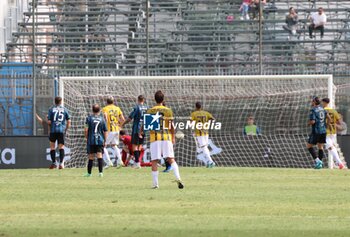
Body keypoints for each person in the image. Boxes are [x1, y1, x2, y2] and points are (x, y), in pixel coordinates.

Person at [145, 90, 184, 189]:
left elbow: (148, 126)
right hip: (166, 137)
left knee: (154, 161)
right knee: (171, 159)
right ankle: (178, 178)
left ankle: (155, 184)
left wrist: (141, 132)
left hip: (155, 138)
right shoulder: (168, 110)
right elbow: (171, 126)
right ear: (163, 99)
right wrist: (173, 137)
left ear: (155, 99)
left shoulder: (150, 110)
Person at [121, 95, 148, 169]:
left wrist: (123, 124)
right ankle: (137, 162)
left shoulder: (136, 107)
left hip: (137, 129)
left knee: (134, 146)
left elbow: (130, 118)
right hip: (144, 129)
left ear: (138, 100)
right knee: (139, 146)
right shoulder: (147, 108)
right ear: (144, 100)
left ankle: (137, 163)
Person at [84, 104, 108, 177]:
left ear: (92, 110)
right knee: (99, 155)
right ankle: (100, 173)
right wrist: (105, 140)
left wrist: (86, 137)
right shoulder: (102, 119)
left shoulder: (88, 118)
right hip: (100, 139)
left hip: (91, 139)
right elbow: (105, 131)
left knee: (91, 156)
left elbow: (86, 129)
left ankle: (89, 173)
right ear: (99, 110)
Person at [47, 96, 71, 169]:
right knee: (61, 147)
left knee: (52, 147)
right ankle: (61, 163)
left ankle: (54, 163)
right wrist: (66, 129)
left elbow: (49, 121)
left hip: (53, 130)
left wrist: (49, 128)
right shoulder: (65, 109)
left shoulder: (51, 109)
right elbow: (69, 121)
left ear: (55, 101)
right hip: (61, 131)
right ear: (61, 102)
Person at [190, 102, 216, 168]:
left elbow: (190, 121)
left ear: (195, 107)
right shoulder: (206, 113)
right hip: (206, 133)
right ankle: (208, 162)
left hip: (199, 133)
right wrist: (207, 123)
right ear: (201, 107)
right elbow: (213, 119)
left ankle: (211, 162)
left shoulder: (194, 113)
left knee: (203, 147)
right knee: (205, 147)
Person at [102, 96, 125, 168]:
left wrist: (104, 126)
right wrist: (120, 126)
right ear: (113, 101)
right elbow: (123, 119)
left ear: (106, 102)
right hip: (116, 130)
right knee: (114, 145)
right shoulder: (117, 108)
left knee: (103, 146)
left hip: (109, 130)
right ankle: (120, 161)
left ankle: (108, 162)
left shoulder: (105, 109)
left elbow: (105, 117)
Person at [321, 98, 344, 169]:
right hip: (333, 132)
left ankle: (339, 163)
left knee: (330, 147)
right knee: (330, 147)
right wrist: (334, 124)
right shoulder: (334, 111)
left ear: (324, 103)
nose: (321, 104)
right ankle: (338, 162)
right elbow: (340, 122)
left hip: (325, 131)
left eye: (322, 102)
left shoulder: (322, 111)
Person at [306, 97, 327, 169]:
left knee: (309, 146)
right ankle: (319, 164)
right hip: (323, 130)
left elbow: (313, 121)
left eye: (312, 101)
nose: (311, 102)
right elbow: (328, 119)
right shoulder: (323, 109)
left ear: (314, 102)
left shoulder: (313, 110)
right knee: (320, 147)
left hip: (316, 131)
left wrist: (308, 123)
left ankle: (318, 161)